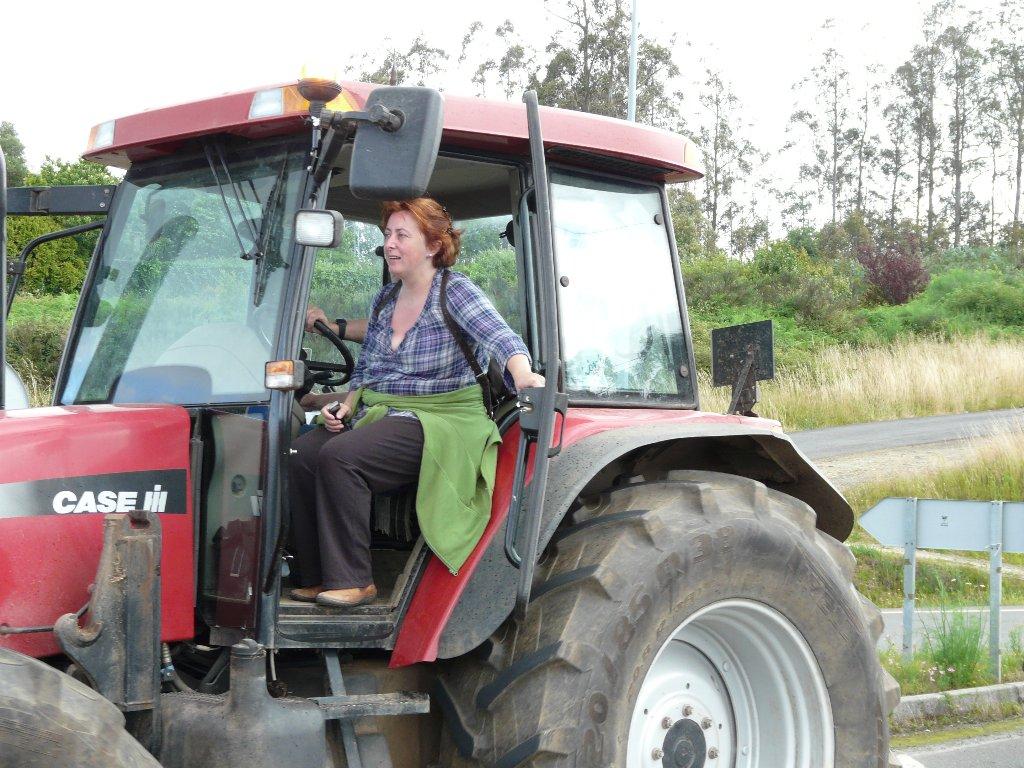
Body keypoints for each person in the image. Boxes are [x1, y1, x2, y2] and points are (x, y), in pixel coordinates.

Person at [288, 197, 544, 608]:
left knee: (341, 456)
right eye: (388, 234)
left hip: (444, 416)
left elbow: (502, 338)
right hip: (385, 409)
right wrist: (347, 405)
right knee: (301, 451)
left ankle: (355, 580)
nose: (390, 244)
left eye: (401, 235)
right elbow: (368, 371)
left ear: (432, 245)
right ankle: (318, 576)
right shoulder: (384, 301)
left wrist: (524, 374)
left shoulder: (455, 291)